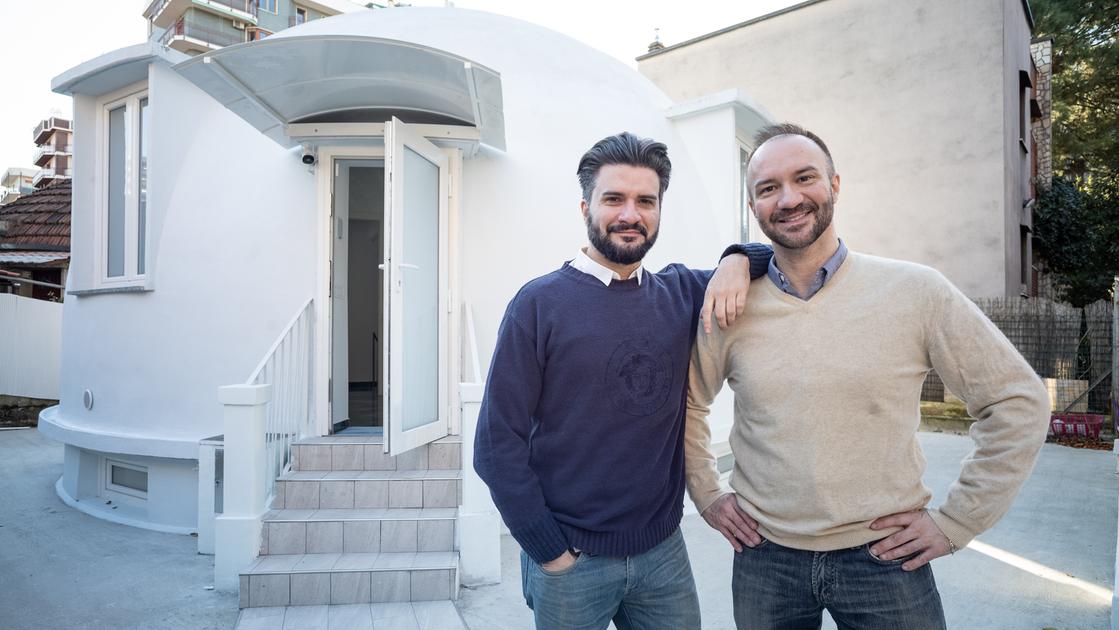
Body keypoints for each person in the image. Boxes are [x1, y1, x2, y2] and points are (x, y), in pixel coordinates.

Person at [684, 122, 1051, 629]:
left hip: (885, 558)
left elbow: (1018, 402)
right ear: (754, 208)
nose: (788, 198)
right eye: (768, 188)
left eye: (804, 178)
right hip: (764, 556)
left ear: (835, 185)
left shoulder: (916, 291)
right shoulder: (731, 306)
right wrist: (707, 493)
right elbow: (689, 405)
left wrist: (957, 521)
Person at [474, 131, 772, 630]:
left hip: (663, 555)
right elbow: (495, 444)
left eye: (645, 201)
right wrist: (550, 553)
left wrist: (735, 259)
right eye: (614, 198)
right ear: (586, 206)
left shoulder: (679, 292)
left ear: (659, 210)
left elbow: (773, 256)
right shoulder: (539, 304)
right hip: (571, 561)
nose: (630, 214)